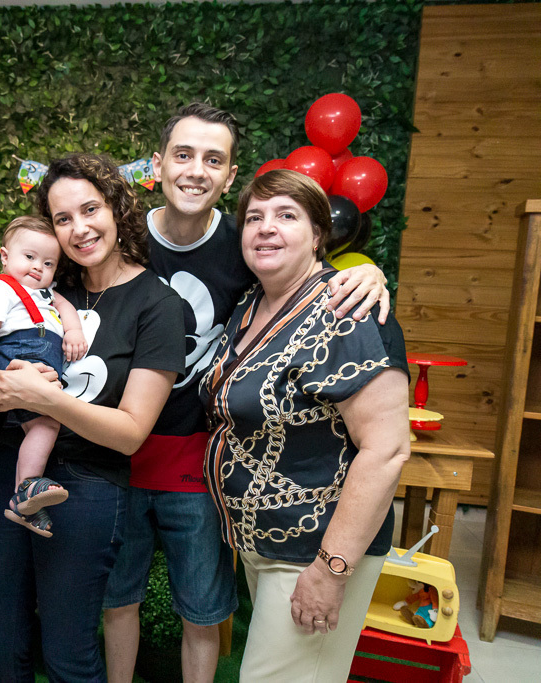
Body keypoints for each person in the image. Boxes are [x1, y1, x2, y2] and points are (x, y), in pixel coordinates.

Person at [101, 102, 392, 683]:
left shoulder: (247, 244)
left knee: (205, 609)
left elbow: (309, 281)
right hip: (119, 455)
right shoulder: (121, 239)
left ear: (230, 175)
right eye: (183, 155)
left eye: (213, 159)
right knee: (118, 599)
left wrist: (369, 272)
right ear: (156, 164)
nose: (195, 170)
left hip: (203, 466)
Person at [0, 153, 187, 681]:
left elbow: (131, 432)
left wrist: (48, 400)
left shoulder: (157, 305)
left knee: (67, 653)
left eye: (90, 209)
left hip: (88, 482)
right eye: (62, 218)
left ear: (117, 207)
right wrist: (5, 381)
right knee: (1, 643)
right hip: (10, 466)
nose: (79, 228)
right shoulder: (43, 281)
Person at [201, 169, 410, 681]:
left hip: (315, 549)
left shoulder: (348, 310)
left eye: (286, 215)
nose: (266, 227)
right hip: (263, 544)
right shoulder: (250, 303)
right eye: (254, 217)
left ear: (318, 234)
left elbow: (386, 451)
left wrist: (331, 570)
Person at [0, 216, 88, 537]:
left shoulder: (46, 293)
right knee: (47, 424)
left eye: (48, 263)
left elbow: (65, 306)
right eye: (29, 257)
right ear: (5, 256)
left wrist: (73, 330)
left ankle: (24, 500)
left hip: (41, 365)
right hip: (17, 358)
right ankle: (26, 490)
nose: (38, 267)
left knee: (42, 425)